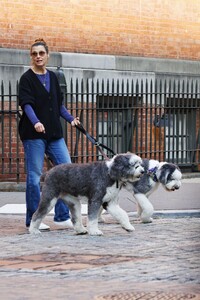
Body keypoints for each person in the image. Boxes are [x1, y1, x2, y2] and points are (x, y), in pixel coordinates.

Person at [18, 38, 80, 230]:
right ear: (31, 56)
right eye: (34, 53)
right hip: (34, 135)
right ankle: (34, 220)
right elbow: (26, 104)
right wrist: (36, 122)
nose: (38, 56)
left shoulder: (53, 77)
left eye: (41, 53)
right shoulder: (27, 79)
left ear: (47, 55)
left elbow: (58, 105)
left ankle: (61, 216)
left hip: (54, 134)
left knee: (65, 172)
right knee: (35, 177)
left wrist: (70, 119)